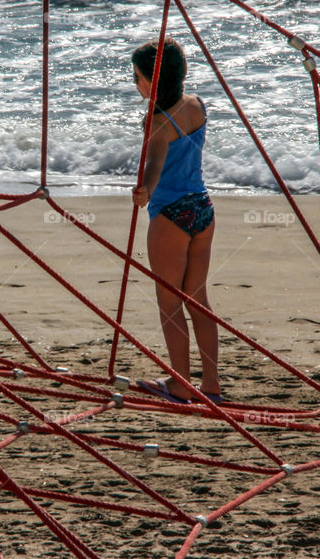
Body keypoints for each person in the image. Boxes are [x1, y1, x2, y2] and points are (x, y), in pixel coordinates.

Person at [129, 37, 223, 404]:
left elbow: (154, 165)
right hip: (202, 209)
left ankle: (181, 383)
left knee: (169, 304)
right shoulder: (196, 105)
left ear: (153, 81)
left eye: (136, 76)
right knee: (198, 299)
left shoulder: (158, 120)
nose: (133, 82)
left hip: (170, 214)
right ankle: (211, 384)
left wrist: (146, 191)